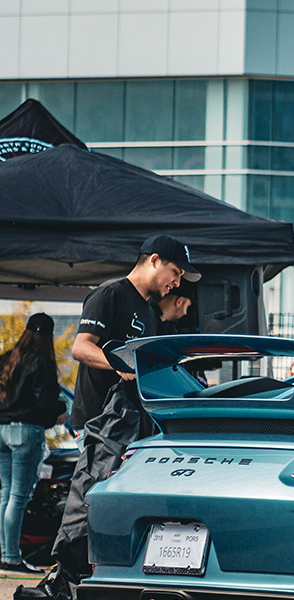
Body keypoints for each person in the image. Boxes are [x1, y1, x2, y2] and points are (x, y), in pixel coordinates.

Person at [70, 234, 199, 434]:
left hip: (128, 423)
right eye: (175, 272)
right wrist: (118, 362)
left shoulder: (148, 311)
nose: (177, 283)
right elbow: (81, 348)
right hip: (99, 424)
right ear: (154, 260)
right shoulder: (110, 294)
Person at [0, 313, 66, 573]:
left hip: (1, 430)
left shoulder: (6, 358)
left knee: (5, 494)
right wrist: (59, 410)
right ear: (47, 336)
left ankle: (5, 554)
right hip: (26, 433)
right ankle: (12, 558)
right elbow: (46, 402)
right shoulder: (42, 362)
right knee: (18, 495)